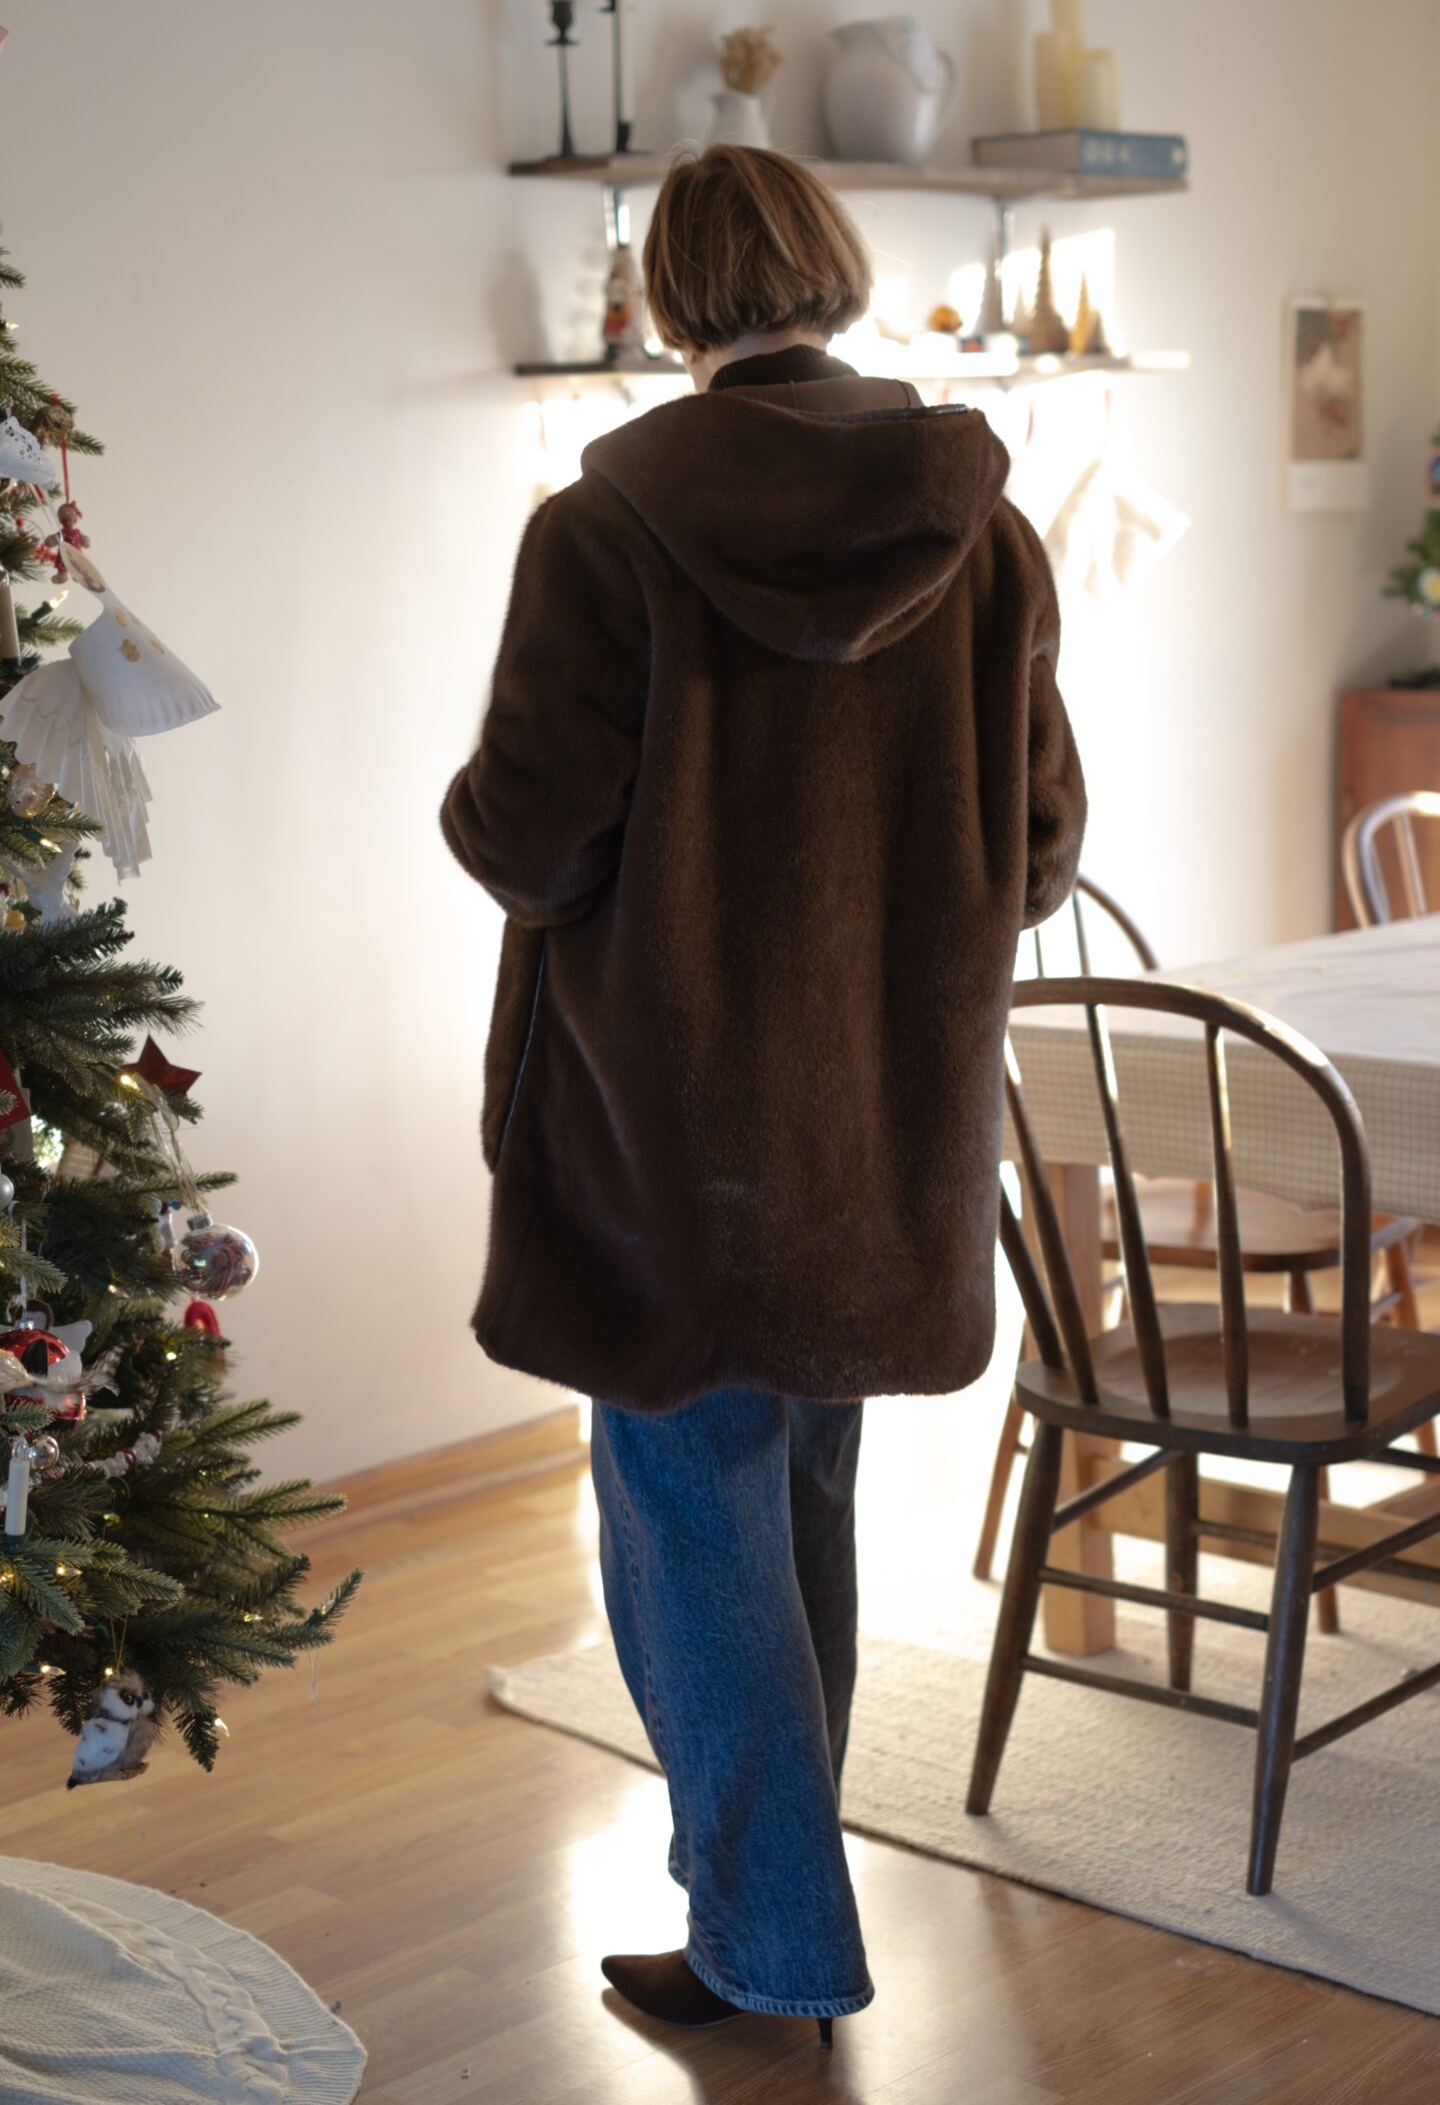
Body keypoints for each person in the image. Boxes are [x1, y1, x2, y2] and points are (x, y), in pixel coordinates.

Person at [441, 144, 1086, 2053]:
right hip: (878, 1139)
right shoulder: (986, 526)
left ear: (668, 301)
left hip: (667, 1154)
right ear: (838, 270)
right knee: (794, 1530)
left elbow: (529, 840)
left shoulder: (603, 527)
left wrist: (484, 820)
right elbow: (1042, 850)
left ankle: (771, 1946)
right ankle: (765, 1913)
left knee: (685, 1546)